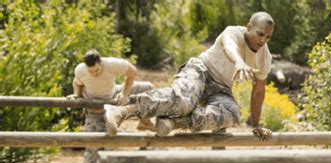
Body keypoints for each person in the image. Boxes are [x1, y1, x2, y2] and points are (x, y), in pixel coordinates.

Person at [103, 12, 275, 141]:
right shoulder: (233, 32)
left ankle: (174, 123)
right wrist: (239, 62)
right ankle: (123, 110)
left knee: (232, 112)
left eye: (268, 37)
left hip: (221, 88)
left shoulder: (264, 56)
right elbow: (229, 46)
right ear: (249, 27)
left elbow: (259, 91)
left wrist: (256, 125)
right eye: (260, 34)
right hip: (201, 69)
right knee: (184, 102)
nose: (263, 40)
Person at [67, 49, 156, 163]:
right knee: (91, 148)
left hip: (112, 96)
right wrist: (76, 95)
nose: (94, 74)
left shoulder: (112, 64)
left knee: (148, 87)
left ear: (101, 63)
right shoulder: (81, 70)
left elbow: (132, 71)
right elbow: (76, 83)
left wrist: (125, 93)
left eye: (96, 70)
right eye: (91, 72)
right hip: (94, 108)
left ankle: (144, 120)